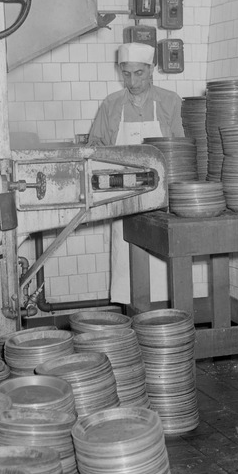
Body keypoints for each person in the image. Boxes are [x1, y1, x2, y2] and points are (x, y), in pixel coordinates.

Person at [88, 41, 184, 307]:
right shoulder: (111, 105)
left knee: (163, 262)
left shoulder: (169, 102)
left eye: (139, 73)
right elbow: (95, 147)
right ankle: (134, 317)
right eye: (126, 73)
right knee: (126, 260)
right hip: (124, 199)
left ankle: (165, 319)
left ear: (152, 69)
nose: (132, 81)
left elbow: (181, 148)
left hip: (162, 199)